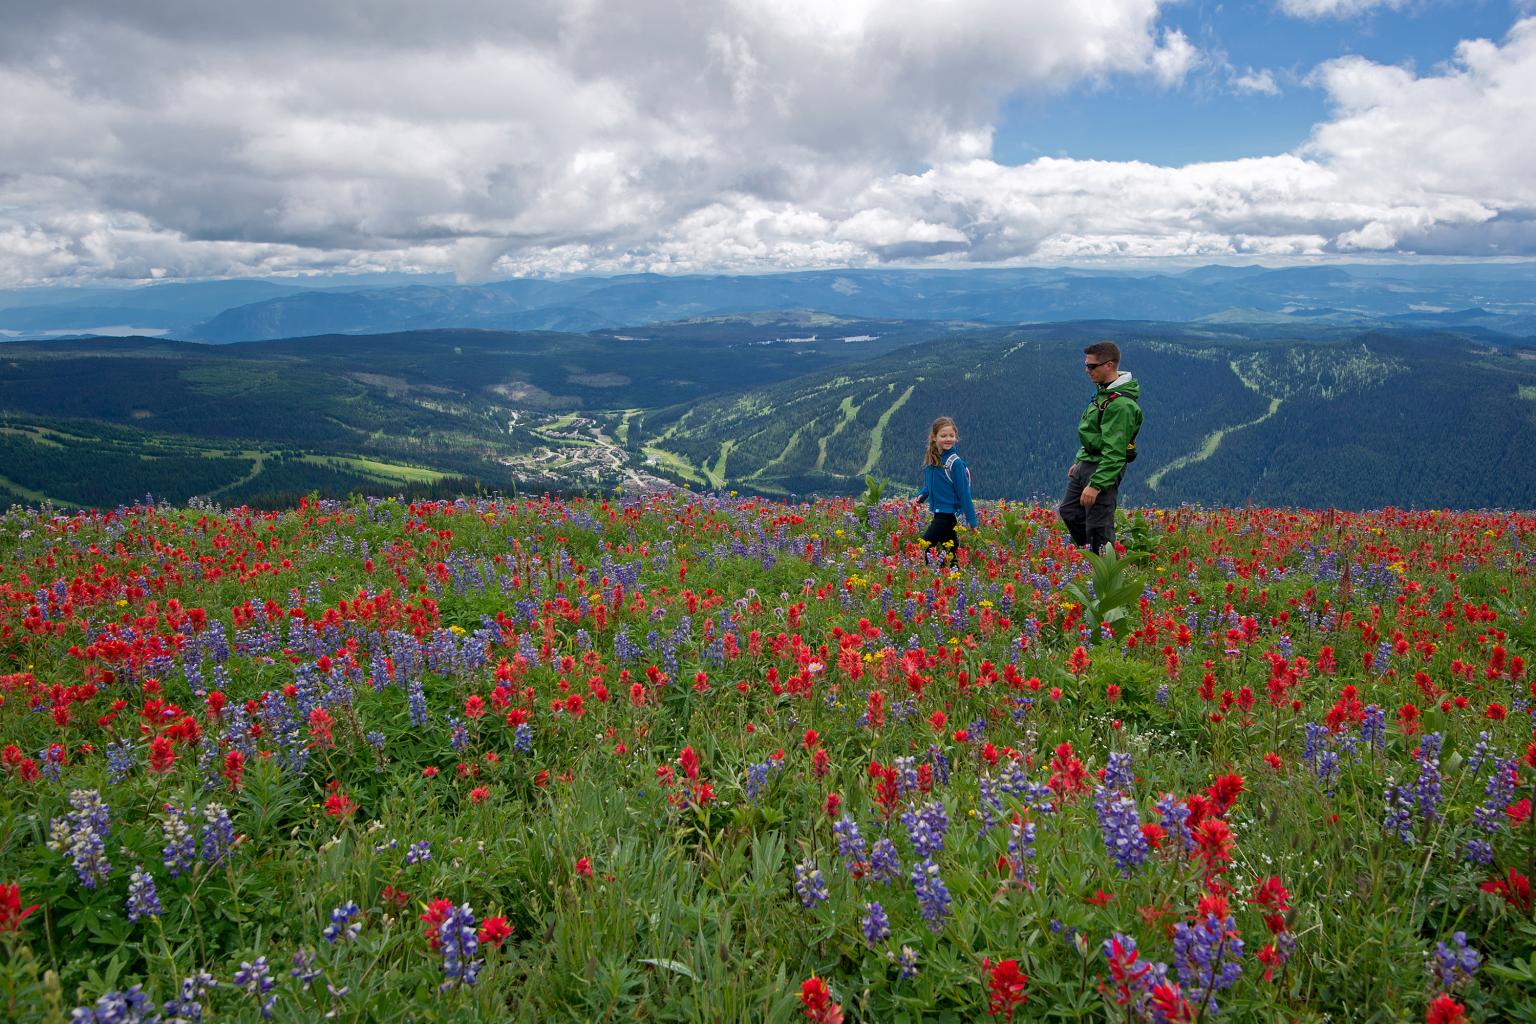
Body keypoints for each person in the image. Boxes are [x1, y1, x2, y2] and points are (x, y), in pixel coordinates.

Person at [1059, 341, 1142, 554]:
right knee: (1069, 511)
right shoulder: (1103, 392)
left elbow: (1115, 453)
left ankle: (1105, 572)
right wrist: (1079, 460)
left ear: (1109, 365)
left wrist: (1096, 485)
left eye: (1092, 366)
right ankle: (1092, 558)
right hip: (1087, 462)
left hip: (1103, 468)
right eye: (1086, 365)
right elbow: (1093, 433)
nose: (1087, 371)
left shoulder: (1122, 405)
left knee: (1099, 525)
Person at [915, 416, 977, 563]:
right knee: (950, 553)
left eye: (951, 435)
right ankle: (953, 578)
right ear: (933, 438)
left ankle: (927, 575)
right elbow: (933, 484)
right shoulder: (935, 458)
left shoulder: (955, 463)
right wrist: (923, 494)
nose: (948, 439)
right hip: (940, 513)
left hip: (947, 515)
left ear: (956, 436)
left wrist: (971, 520)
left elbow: (964, 494)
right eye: (943, 436)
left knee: (923, 547)